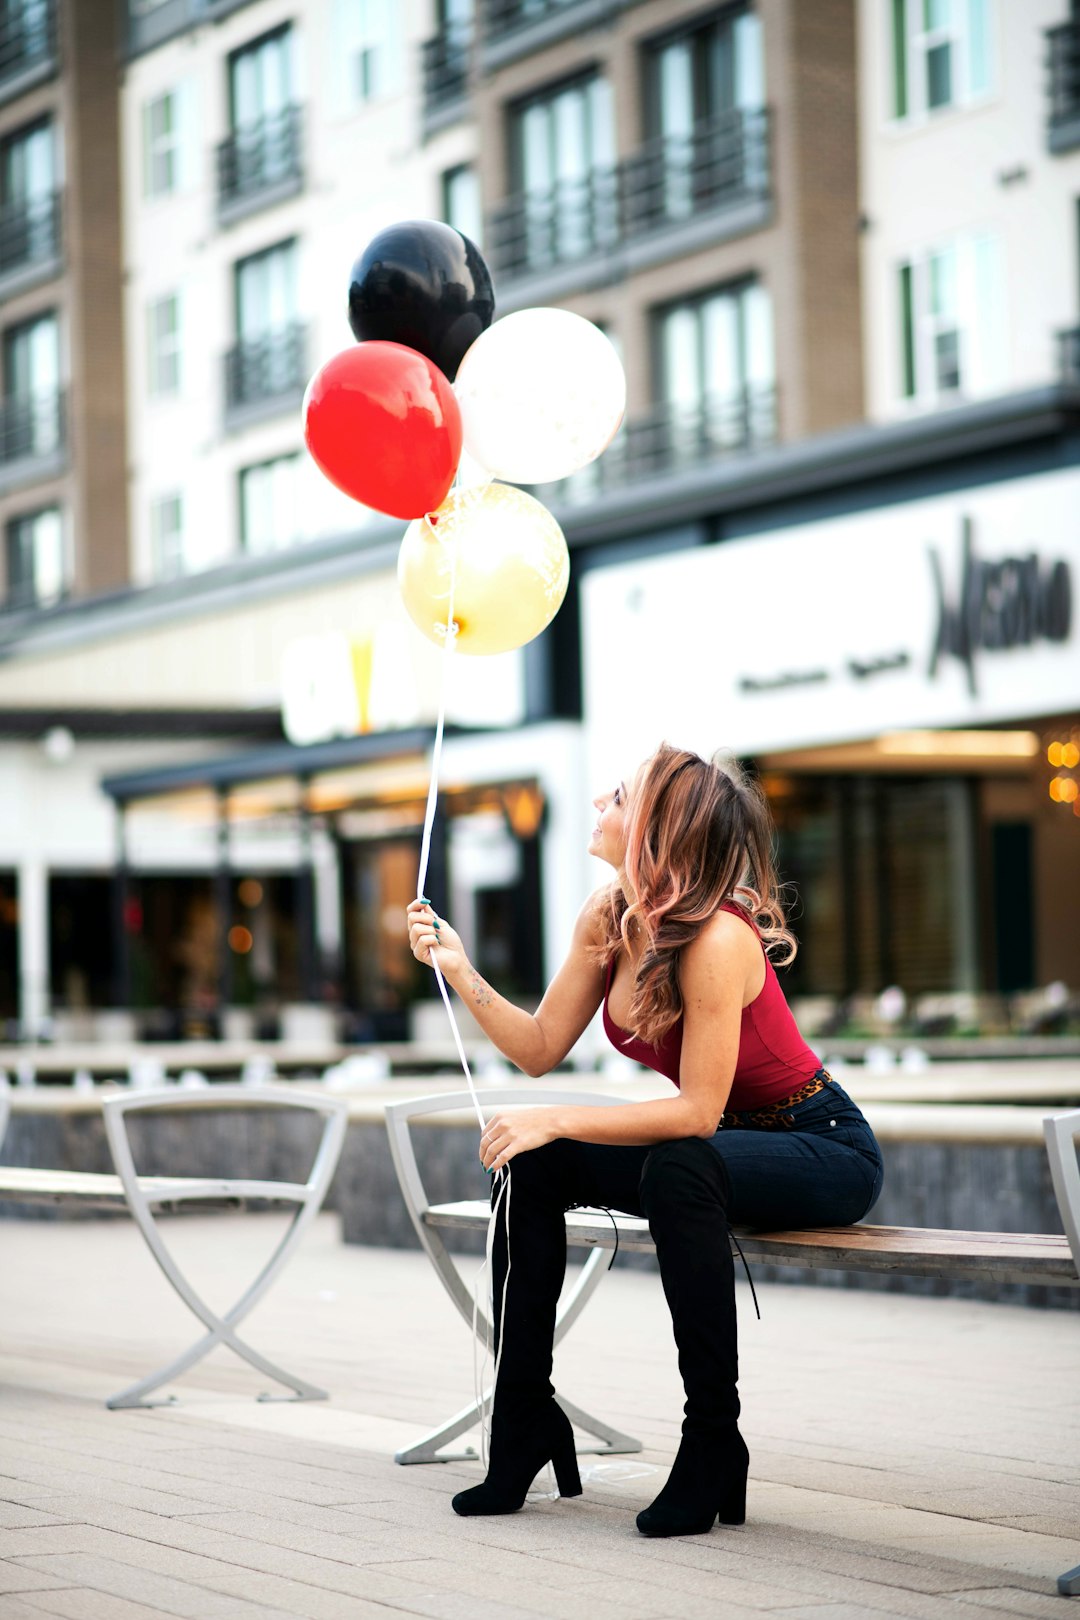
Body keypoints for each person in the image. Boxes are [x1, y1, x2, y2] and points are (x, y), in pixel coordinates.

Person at [406, 742, 884, 1537]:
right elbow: (536, 1049)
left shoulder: (719, 939)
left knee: (675, 1165)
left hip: (822, 1146)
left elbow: (697, 1112)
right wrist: (458, 967)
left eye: (620, 796)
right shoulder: (610, 916)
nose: (600, 800)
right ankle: (523, 1415)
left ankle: (712, 1442)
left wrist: (561, 1115)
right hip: (713, 1155)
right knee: (535, 1163)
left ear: (658, 830)